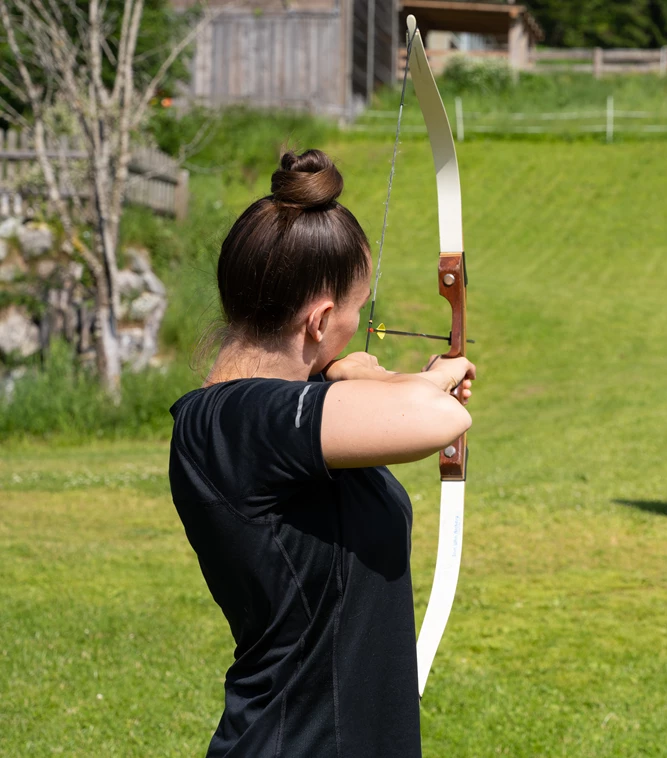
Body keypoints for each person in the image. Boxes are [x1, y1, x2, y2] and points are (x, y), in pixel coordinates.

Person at [168, 149, 475, 757]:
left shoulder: (284, 411)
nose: (360, 326)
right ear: (320, 320)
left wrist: (378, 378)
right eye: (359, 313)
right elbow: (441, 417)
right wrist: (398, 382)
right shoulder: (228, 421)